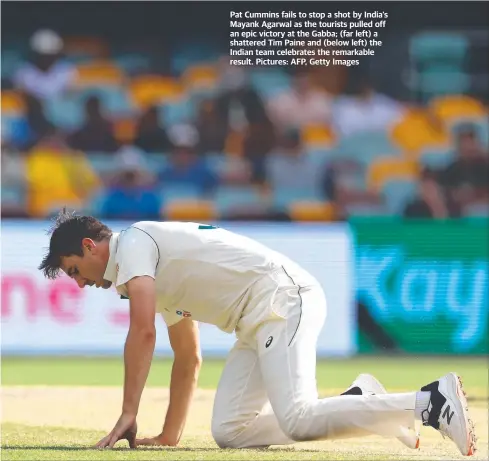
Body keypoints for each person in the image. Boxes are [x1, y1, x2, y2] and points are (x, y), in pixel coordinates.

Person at [38, 210, 477, 456]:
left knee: (300, 420)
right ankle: (356, 404)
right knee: (230, 431)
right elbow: (188, 357)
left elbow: (142, 334)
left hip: (282, 299)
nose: (80, 284)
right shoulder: (148, 270)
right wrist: (170, 435)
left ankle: (431, 402)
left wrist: (129, 412)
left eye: (76, 271)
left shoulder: (133, 245)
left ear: (91, 247)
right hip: (254, 320)